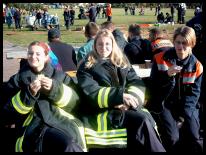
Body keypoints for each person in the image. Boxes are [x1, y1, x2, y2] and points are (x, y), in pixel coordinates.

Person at [76, 29, 166, 152]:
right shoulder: (86, 66)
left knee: (144, 122)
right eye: (100, 44)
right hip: (102, 112)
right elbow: (91, 91)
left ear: (113, 45)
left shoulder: (121, 61)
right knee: (141, 121)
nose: (104, 48)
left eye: (107, 44)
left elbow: (136, 81)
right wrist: (120, 97)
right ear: (95, 45)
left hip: (126, 108)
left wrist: (130, 101)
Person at [1, 41, 87, 152]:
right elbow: (6, 114)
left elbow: (76, 103)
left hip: (60, 123)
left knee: (69, 145)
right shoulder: (17, 80)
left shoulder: (61, 77)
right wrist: (29, 94)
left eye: (38, 54)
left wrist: (55, 89)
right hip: (32, 128)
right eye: (30, 53)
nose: (33, 57)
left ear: (46, 56)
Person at [148, 26, 203, 152]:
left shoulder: (197, 66)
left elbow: (193, 96)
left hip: (186, 106)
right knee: (173, 138)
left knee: (195, 136)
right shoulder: (160, 58)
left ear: (192, 45)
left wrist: (182, 119)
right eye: (178, 42)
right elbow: (153, 87)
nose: (181, 47)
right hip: (165, 104)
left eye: (185, 43)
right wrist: (167, 75)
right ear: (173, 42)